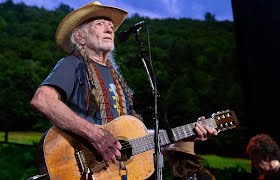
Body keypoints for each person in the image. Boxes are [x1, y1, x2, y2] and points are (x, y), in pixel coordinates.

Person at [29, 1, 217, 179]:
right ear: (80, 36)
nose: (109, 28)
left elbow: (133, 140)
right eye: (99, 24)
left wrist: (187, 134)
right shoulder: (73, 65)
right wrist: (95, 136)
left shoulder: (117, 79)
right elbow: (43, 100)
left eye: (110, 25)